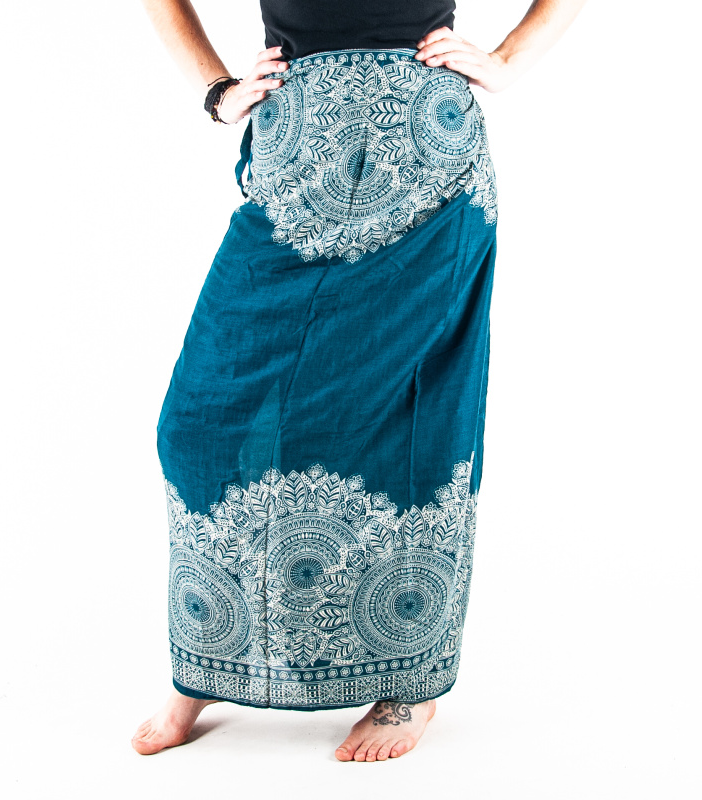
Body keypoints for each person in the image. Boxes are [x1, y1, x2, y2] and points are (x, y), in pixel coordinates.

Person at [133, 0, 586, 762]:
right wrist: (217, 89)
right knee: (199, 425)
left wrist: (507, 61)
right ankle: (213, 657)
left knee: (411, 423)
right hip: (292, 164)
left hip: (426, 172)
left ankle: (409, 682)